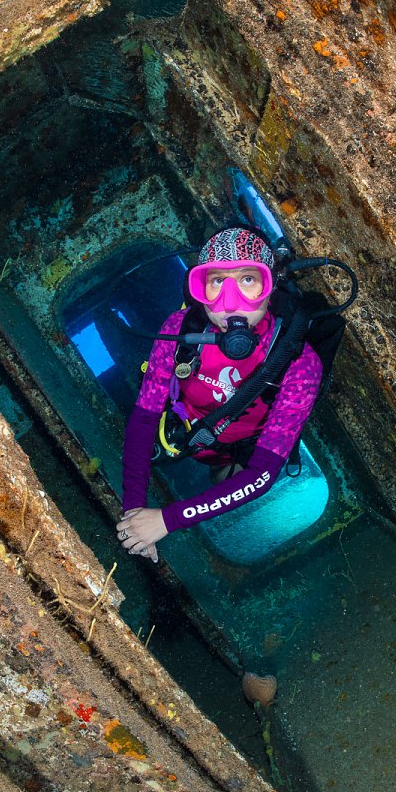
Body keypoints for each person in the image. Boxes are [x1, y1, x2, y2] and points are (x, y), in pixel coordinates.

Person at [117, 228, 323, 560]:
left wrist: (167, 520)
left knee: (224, 479)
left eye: (247, 280)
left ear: (271, 286)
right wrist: (135, 513)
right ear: (199, 289)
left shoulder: (300, 364)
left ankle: (216, 475)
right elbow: (144, 421)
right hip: (188, 434)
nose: (230, 303)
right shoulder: (179, 329)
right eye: (216, 282)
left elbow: (263, 473)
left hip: (239, 455)